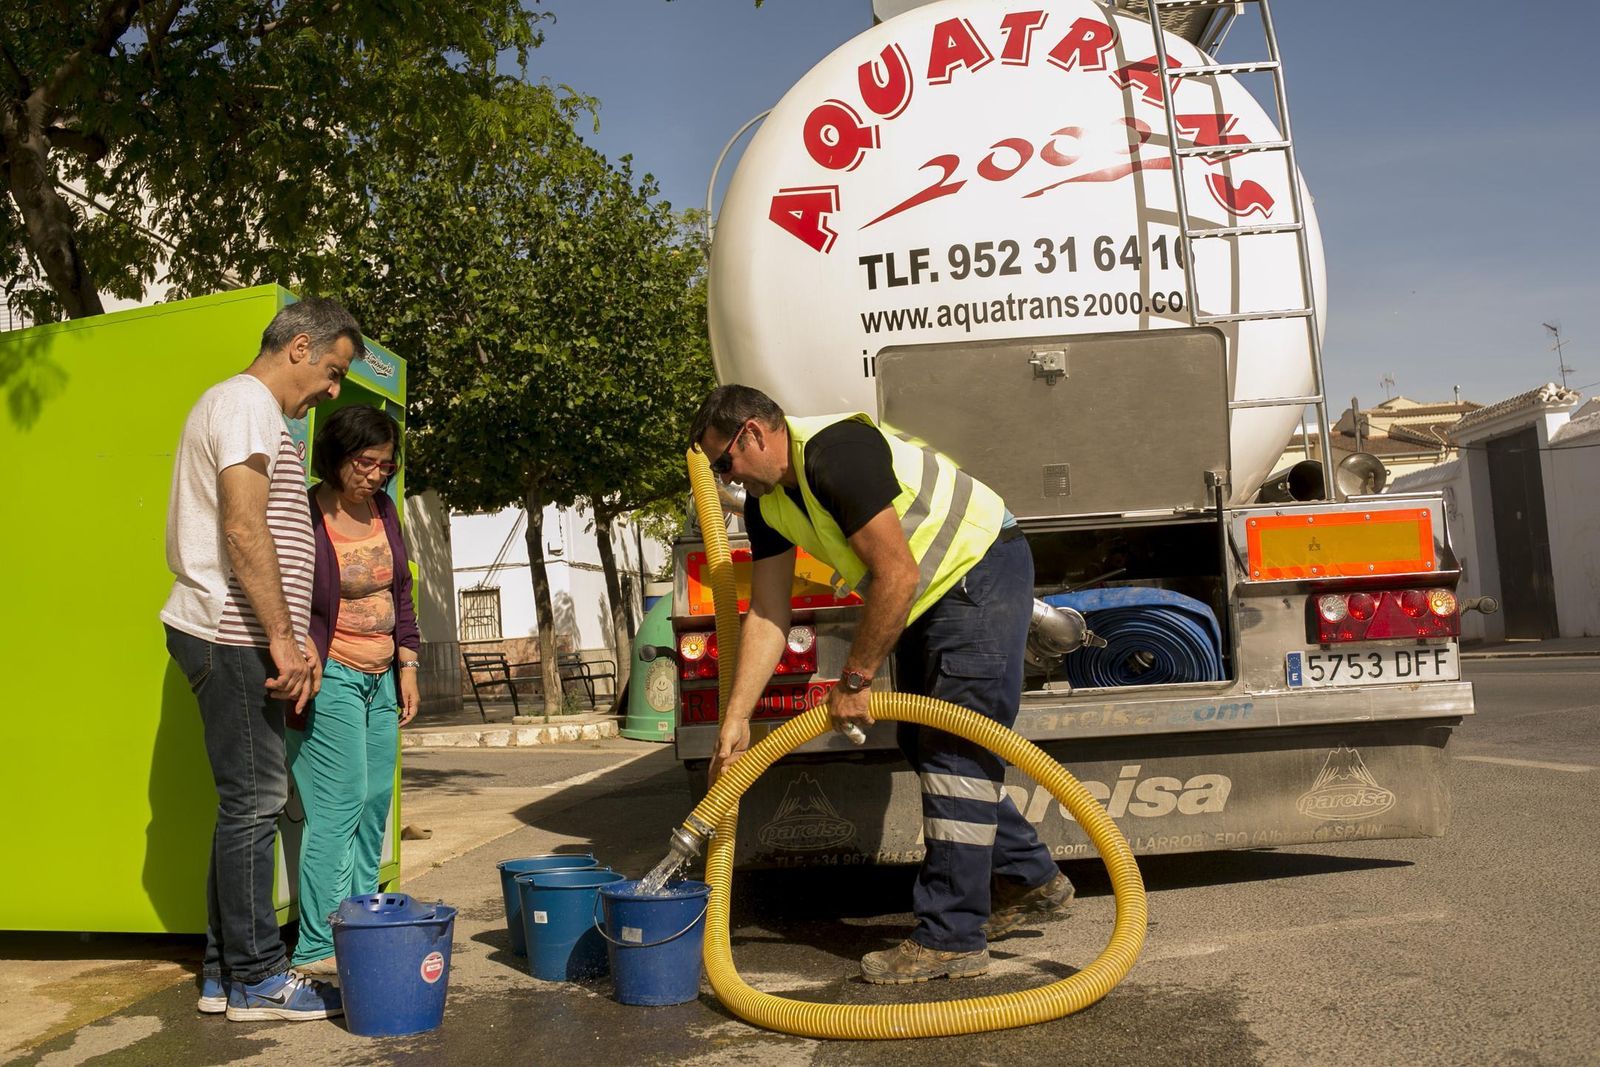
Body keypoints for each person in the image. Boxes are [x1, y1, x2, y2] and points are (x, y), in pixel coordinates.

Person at [690, 384, 1074, 985]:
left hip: (977, 567)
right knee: (927, 743)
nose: (726, 479)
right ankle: (1027, 876)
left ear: (753, 434)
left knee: (955, 753)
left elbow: (897, 571)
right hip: (929, 594)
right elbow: (768, 614)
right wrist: (737, 717)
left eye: (725, 463)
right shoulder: (771, 506)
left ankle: (951, 938)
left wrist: (855, 677)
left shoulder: (834, 452)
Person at [161, 297, 357, 1021]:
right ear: (299, 347)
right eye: (333, 370)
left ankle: (222, 972)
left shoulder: (252, 411)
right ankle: (257, 978)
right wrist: (282, 634)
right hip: (232, 632)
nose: (334, 389)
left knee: (243, 804)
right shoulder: (245, 402)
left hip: (238, 632)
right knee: (255, 803)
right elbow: (244, 527)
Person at [287, 404, 420, 977]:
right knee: (337, 807)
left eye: (386, 465)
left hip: (382, 676)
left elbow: (403, 591)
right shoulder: (306, 511)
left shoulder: (385, 509)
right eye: (366, 463)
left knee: (372, 804)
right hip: (333, 673)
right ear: (339, 458)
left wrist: (407, 662)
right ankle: (318, 944)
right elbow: (288, 584)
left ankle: (362, 917)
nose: (376, 475)